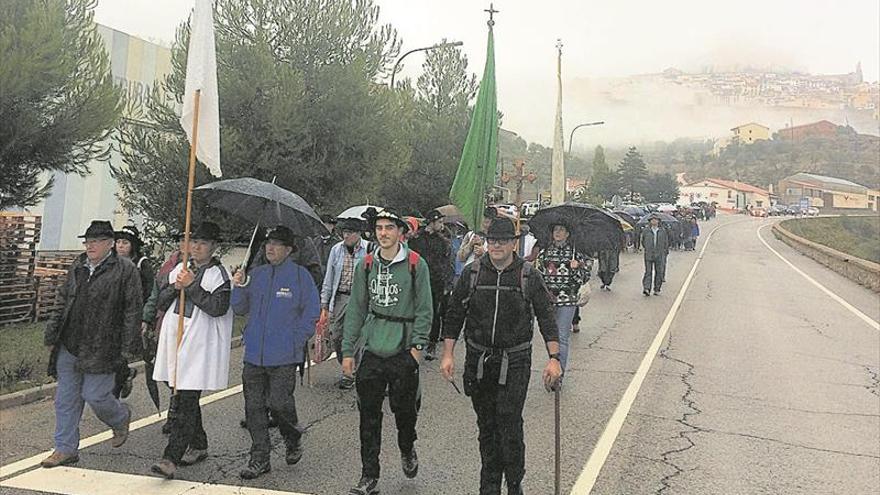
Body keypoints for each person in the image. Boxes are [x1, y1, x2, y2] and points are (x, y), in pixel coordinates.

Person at [441, 217, 562, 495]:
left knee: (509, 421)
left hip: (515, 360)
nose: (495, 245)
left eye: (502, 240)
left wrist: (554, 357)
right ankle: (490, 485)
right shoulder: (472, 273)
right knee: (486, 425)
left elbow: (546, 317)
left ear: (513, 243)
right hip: (479, 360)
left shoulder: (529, 275)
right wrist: (448, 354)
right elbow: (454, 315)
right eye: (491, 240)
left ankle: (514, 481)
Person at [342, 208, 433, 495]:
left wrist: (417, 349)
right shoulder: (366, 265)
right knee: (368, 415)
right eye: (379, 228)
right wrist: (347, 351)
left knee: (404, 412)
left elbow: (425, 310)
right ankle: (369, 475)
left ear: (400, 233)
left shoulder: (416, 264)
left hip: (403, 351)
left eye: (389, 228)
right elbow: (356, 309)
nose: (383, 233)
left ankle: (407, 447)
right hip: (372, 350)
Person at [41, 220, 141, 468]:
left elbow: (132, 310)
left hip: (103, 346)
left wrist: (127, 349)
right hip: (71, 343)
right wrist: (52, 333)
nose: (90, 246)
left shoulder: (125, 270)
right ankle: (65, 449)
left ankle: (120, 416)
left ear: (109, 244)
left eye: (95, 241)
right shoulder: (78, 266)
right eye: (87, 241)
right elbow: (63, 300)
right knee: (65, 399)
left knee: (95, 396)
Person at [231, 226, 320, 479]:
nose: (270, 248)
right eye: (268, 243)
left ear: (289, 250)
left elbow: (311, 312)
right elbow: (239, 308)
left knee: (279, 404)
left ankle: (292, 437)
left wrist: (296, 339)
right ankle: (260, 457)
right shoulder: (256, 274)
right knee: (254, 408)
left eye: (277, 244)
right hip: (254, 355)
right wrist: (238, 286)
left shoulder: (301, 277)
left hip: (284, 355)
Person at [150, 222, 234, 479]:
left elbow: (217, 307)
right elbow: (162, 301)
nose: (196, 247)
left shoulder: (219, 275)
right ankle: (199, 443)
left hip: (198, 343)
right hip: (175, 337)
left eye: (203, 243)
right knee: (182, 392)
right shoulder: (180, 268)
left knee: (185, 399)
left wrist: (192, 286)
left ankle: (171, 457)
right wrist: (176, 286)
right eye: (193, 241)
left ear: (213, 247)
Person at [534, 221, 591, 373]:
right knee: (551, 338)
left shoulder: (575, 253)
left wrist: (577, 266)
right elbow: (538, 275)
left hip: (567, 300)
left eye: (561, 230)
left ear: (567, 234)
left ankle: (559, 373)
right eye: (555, 230)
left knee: (562, 336)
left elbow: (584, 278)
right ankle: (553, 364)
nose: (558, 233)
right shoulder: (545, 253)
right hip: (548, 301)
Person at [141, 237, 184, 434]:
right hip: (162, 324)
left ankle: (176, 414)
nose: (185, 243)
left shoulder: (198, 268)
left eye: (189, 239)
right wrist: (147, 318)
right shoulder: (169, 265)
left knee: (180, 375)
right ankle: (178, 408)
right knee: (166, 372)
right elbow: (155, 294)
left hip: (184, 328)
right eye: (182, 239)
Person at [321, 217, 370, 389]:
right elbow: (329, 277)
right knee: (337, 336)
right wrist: (324, 304)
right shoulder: (336, 250)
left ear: (358, 234)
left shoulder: (369, 249)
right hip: (340, 297)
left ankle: (350, 372)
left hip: (360, 299)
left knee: (355, 337)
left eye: (349, 232)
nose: (346, 235)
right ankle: (347, 364)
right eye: (344, 232)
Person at [113, 225, 155, 398]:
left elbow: (151, 290)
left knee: (120, 352)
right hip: (113, 313)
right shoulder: (111, 261)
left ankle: (114, 392)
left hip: (132, 315)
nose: (120, 246)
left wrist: (145, 318)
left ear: (133, 246)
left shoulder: (141, 263)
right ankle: (125, 374)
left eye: (125, 243)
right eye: (118, 242)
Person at [408, 209, 453, 360]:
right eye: (439, 222)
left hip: (436, 282)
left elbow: (447, 263)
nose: (441, 225)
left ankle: (432, 344)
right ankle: (414, 341)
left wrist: (447, 283)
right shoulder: (416, 239)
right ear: (431, 222)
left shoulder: (443, 241)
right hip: (417, 280)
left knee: (435, 312)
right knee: (414, 311)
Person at [641, 214, 670, 296]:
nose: (654, 221)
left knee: (659, 272)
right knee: (648, 272)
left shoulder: (662, 231)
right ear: (650, 221)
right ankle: (646, 288)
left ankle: (657, 288)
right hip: (649, 254)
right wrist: (647, 248)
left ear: (658, 221)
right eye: (652, 220)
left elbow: (666, 242)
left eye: (655, 219)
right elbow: (643, 242)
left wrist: (664, 251)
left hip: (659, 254)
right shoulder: (646, 231)